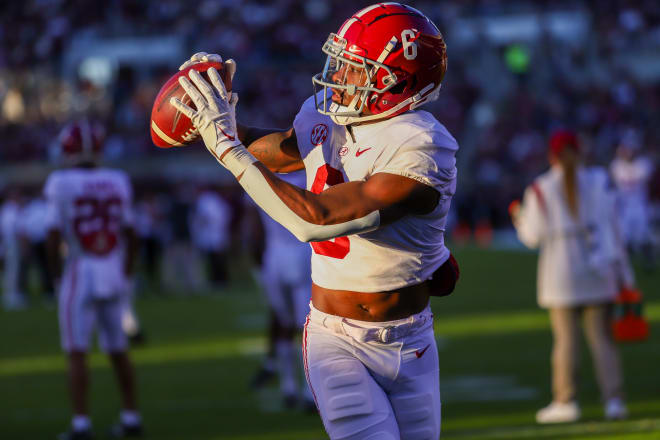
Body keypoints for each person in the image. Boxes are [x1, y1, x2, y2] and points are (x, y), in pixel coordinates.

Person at [170, 3, 460, 438]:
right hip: (336, 340)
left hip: (412, 340)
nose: (339, 77)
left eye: (355, 68)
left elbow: (318, 220)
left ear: (394, 81)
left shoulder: (422, 144)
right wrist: (218, 123)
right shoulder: (324, 112)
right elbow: (280, 149)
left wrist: (227, 147)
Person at [510, 130, 628, 424]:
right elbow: (614, 226)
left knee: (565, 342)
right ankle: (614, 400)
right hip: (597, 265)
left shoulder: (540, 187)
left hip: (561, 272)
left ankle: (566, 401)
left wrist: (518, 217)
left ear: (552, 156)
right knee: (602, 340)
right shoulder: (599, 181)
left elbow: (532, 237)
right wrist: (624, 274)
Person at [45, 119, 143, 439]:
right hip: (112, 268)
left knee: (76, 351)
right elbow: (131, 232)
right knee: (118, 349)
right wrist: (126, 274)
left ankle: (81, 423)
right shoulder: (118, 179)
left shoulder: (60, 182)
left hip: (79, 268)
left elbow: (53, 235)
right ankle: (131, 416)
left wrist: (55, 278)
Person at [246, 170, 316, 410]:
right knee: (295, 325)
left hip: (287, 254)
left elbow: (254, 227)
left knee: (297, 325)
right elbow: (254, 225)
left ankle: (297, 388)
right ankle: (295, 388)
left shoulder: (262, 172)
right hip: (291, 254)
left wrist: (256, 258)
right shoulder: (305, 173)